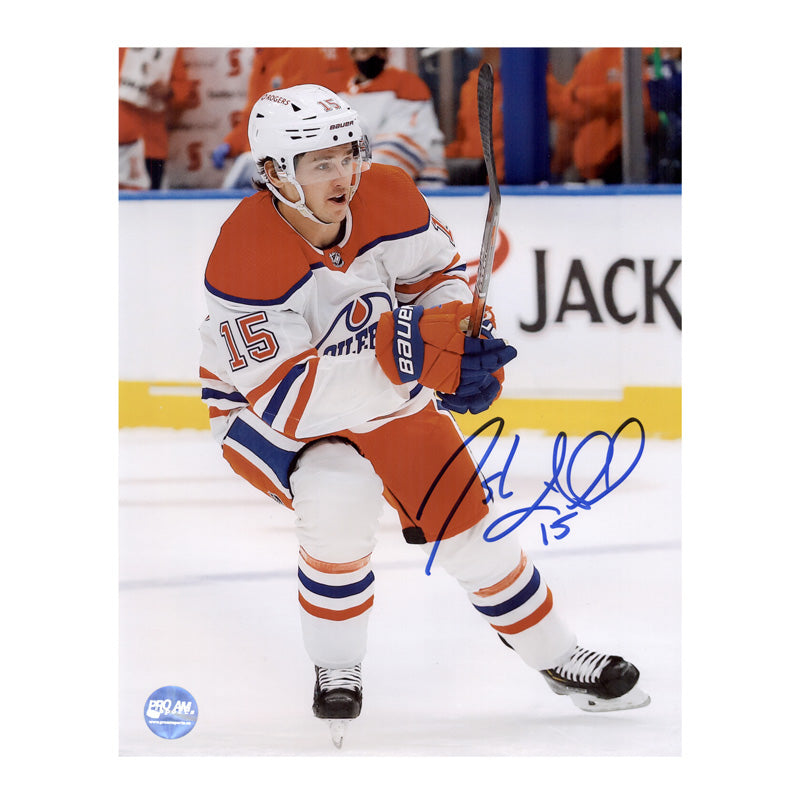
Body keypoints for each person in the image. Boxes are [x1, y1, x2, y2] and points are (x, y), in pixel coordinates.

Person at [198, 84, 650, 747]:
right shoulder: (244, 251)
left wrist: (457, 337)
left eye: (347, 154)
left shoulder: (388, 195)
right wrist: (412, 355)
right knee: (338, 488)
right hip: (259, 410)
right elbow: (293, 402)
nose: (342, 174)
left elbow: (436, 280)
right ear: (274, 174)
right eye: (318, 162)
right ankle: (336, 664)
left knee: (467, 519)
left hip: (379, 382)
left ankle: (557, 655)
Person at [210, 47, 352, 187]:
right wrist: (232, 144)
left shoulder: (304, 54)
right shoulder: (264, 57)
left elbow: (308, 114)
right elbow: (254, 115)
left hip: (290, 161)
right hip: (264, 160)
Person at [548, 47, 659, 183]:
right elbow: (568, 112)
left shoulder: (649, 55)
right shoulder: (591, 61)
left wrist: (580, 95)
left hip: (639, 158)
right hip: (598, 166)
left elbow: (644, 99)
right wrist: (557, 167)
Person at [340, 48, 448, 187]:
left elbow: (405, 140)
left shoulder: (407, 84)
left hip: (420, 186)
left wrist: (363, 177)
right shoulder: (342, 94)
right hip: (358, 185)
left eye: (380, 51)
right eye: (366, 51)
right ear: (352, 54)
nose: (375, 57)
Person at [118, 47, 199, 190]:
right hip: (122, 140)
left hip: (150, 146)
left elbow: (185, 90)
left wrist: (170, 91)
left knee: (148, 208)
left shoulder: (169, 49)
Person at [445, 48, 505, 184]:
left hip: (508, 182)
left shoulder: (526, 83)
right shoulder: (469, 87)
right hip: (473, 181)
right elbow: (463, 138)